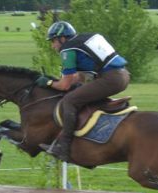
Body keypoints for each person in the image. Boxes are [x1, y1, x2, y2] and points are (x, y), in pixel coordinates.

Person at [35, 21, 130, 162]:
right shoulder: (84, 40)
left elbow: (65, 86)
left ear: (62, 38)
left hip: (110, 79)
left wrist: (49, 83)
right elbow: (81, 77)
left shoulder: (67, 49)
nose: (53, 46)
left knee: (69, 101)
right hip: (123, 75)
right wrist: (59, 82)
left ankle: (64, 147)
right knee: (80, 93)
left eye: (54, 41)